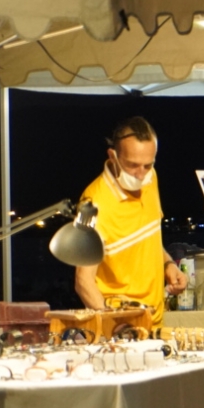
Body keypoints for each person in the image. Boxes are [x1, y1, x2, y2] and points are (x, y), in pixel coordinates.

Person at [74, 117, 187, 326]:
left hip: (155, 322)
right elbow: (83, 281)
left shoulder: (151, 179)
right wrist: (114, 324)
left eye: (148, 165)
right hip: (122, 324)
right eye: (132, 165)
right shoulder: (92, 204)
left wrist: (168, 264)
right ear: (113, 156)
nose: (140, 174)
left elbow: (146, 237)